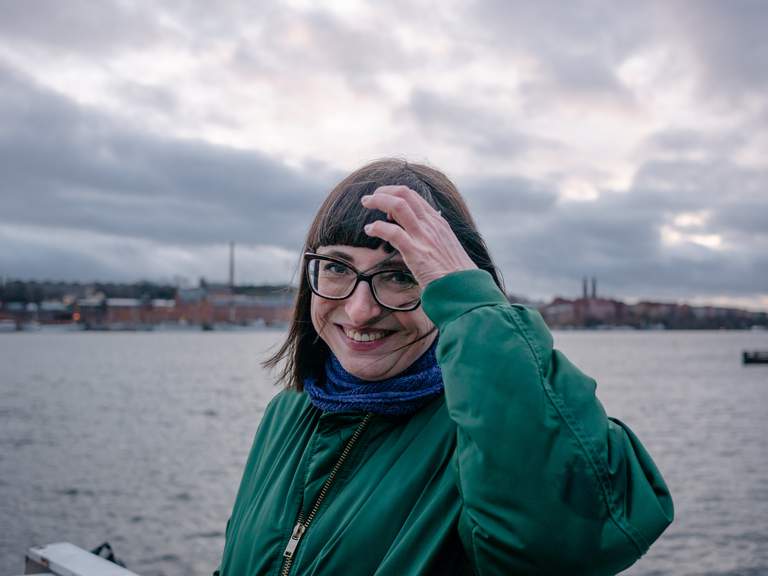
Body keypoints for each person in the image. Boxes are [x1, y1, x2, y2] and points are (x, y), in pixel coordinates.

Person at [215, 159, 673, 575]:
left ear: (448, 284)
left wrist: (475, 307)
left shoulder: (479, 436)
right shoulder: (289, 412)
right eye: (336, 268)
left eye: (399, 276)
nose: (358, 311)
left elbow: (565, 544)